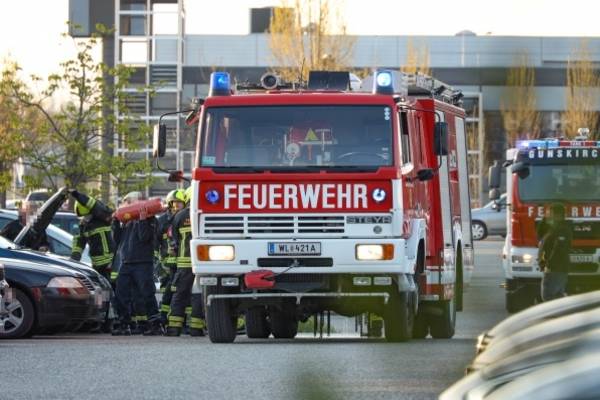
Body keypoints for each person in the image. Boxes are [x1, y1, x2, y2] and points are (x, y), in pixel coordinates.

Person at [112, 195, 163, 336]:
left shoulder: (151, 220)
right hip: (126, 262)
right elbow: (117, 240)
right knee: (121, 294)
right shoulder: (127, 221)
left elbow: (144, 237)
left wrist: (142, 220)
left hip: (143, 263)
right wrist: (115, 223)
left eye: (129, 202)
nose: (127, 205)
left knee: (147, 294)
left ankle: (155, 325)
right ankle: (124, 324)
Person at [166, 187, 206, 337]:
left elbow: (173, 239)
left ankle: (173, 328)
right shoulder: (203, 213)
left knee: (179, 294)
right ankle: (196, 328)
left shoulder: (179, 216)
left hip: (184, 262)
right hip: (202, 262)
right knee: (198, 294)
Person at [157, 189, 186, 325]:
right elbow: (156, 242)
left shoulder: (186, 218)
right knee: (168, 292)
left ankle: (182, 321)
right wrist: (159, 264)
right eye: (174, 203)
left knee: (181, 292)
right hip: (167, 264)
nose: (177, 205)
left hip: (182, 263)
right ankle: (164, 318)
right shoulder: (163, 221)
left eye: (180, 203)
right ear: (169, 204)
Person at [71, 194, 116, 281]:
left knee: (111, 284)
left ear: (91, 212)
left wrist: (77, 195)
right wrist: (75, 256)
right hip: (96, 264)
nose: (85, 218)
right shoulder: (84, 225)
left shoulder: (103, 218)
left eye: (86, 215)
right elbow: (79, 241)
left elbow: (96, 206)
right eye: (83, 216)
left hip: (110, 262)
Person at [538, 203, 572, 301]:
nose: (549, 216)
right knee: (556, 296)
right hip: (554, 268)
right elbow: (540, 234)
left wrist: (549, 264)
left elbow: (559, 250)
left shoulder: (563, 230)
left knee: (548, 296)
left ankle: (562, 310)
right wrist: (544, 219)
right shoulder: (553, 228)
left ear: (558, 215)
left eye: (550, 213)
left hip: (556, 268)